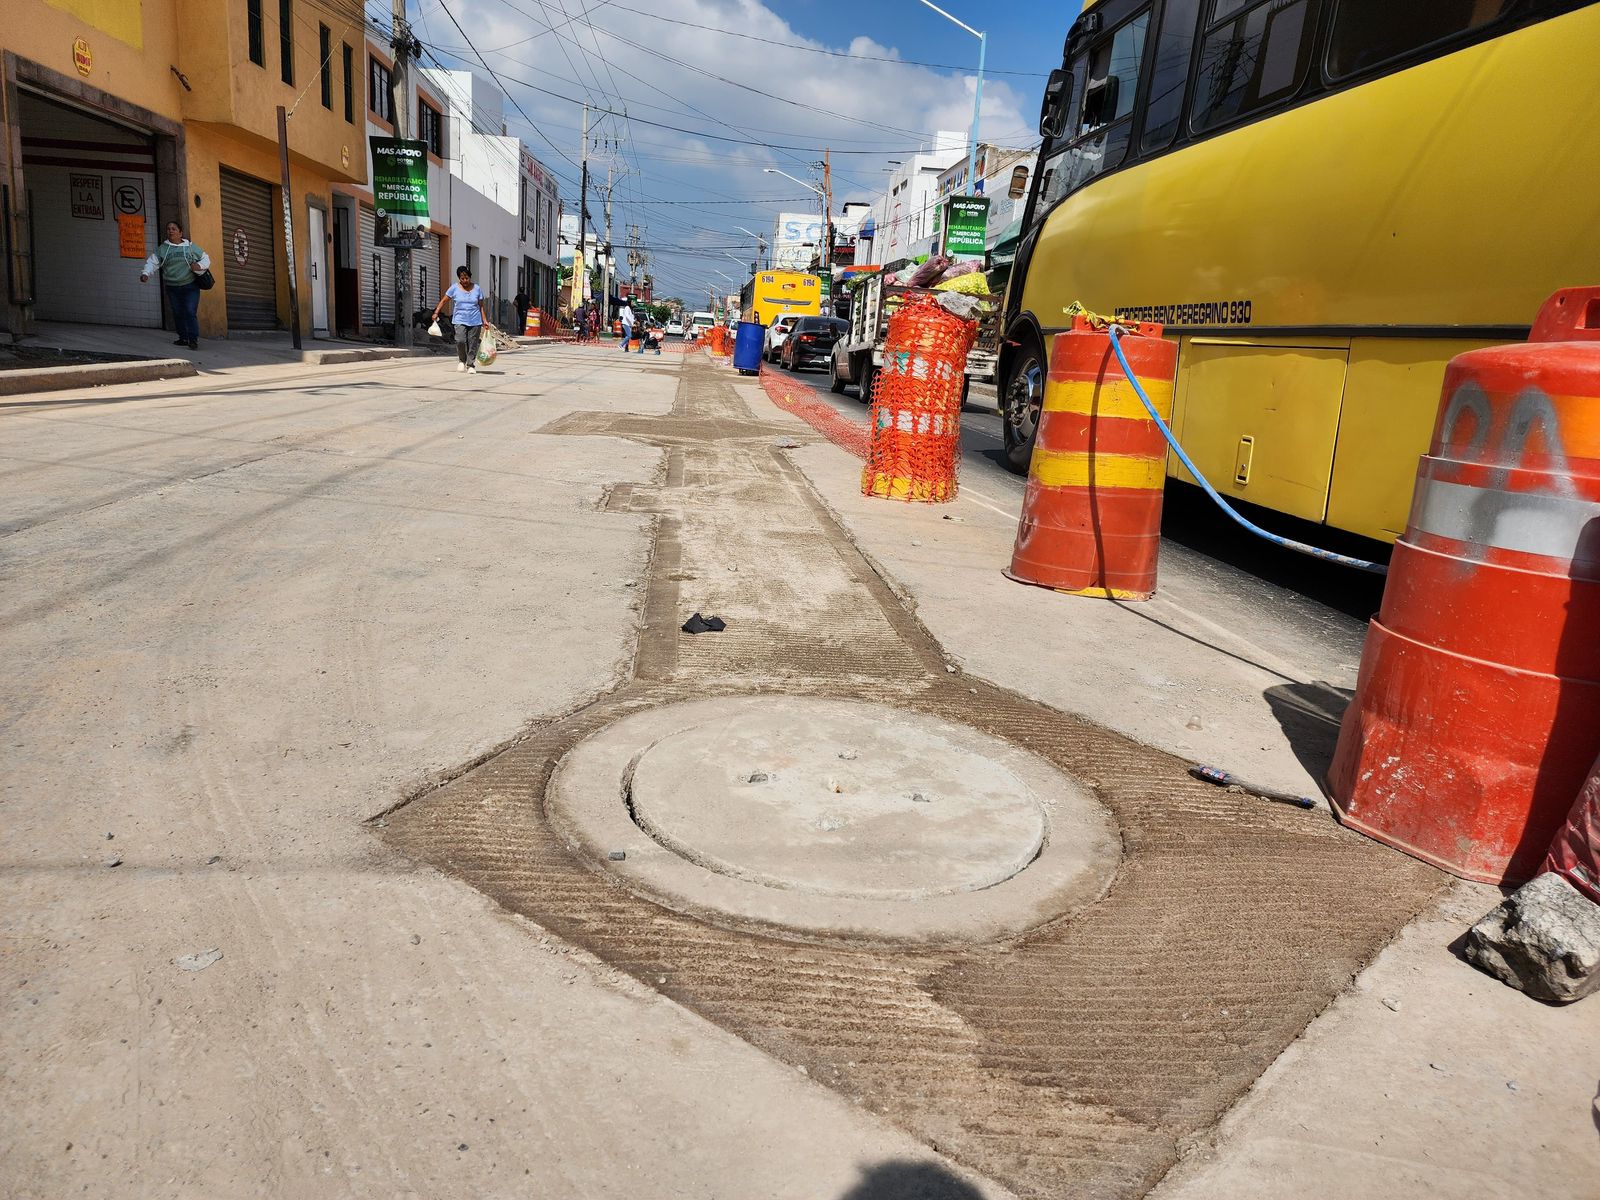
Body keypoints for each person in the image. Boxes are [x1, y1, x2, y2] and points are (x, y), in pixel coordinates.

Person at [140, 220, 210, 350]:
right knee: (178, 313)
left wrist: (199, 265)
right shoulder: (163, 249)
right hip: (172, 287)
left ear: (180, 232)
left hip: (190, 285)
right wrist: (146, 273)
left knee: (189, 311)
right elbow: (152, 262)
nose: (170, 231)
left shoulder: (190, 247)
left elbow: (206, 258)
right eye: (168, 229)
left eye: (174, 229)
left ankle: (193, 339)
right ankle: (183, 337)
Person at [431, 265, 487, 373]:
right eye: (462, 278)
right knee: (460, 340)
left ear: (470, 277)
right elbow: (444, 301)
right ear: (459, 278)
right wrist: (436, 312)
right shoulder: (454, 288)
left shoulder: (477, 289)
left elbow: (481, 306)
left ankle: (470, 365)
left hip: (475, 320)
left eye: (467, 278)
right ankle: (462, 360)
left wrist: (484, 320)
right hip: (459, 319)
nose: (465, 280)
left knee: (473, 343)